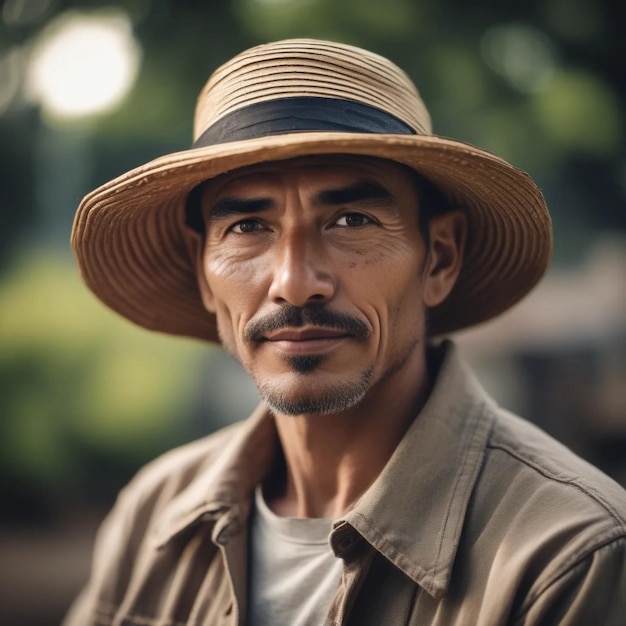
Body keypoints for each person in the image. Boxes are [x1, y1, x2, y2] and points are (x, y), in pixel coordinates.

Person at [64, 39, 626, 626]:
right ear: (202, 273)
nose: (295, 282)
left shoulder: (568, 557)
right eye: (248, 225)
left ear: (438, 257)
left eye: (352, 220)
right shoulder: (156, 518)